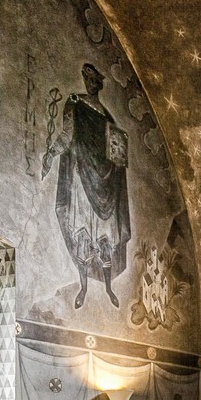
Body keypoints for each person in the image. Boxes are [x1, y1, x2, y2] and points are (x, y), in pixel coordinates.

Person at [43, 63, 132, 308]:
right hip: (82, 176)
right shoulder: (75, 102)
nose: (91, 83)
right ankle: (82, 286)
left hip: (106, 182)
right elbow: (67, 134)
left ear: (99, 84)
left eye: (95, 80)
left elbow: (117, 153)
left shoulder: (107, 117)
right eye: (88, 78)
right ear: (84, 80)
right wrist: (51, 153)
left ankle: (108, 288)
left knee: (104, 238)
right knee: (83, 234)